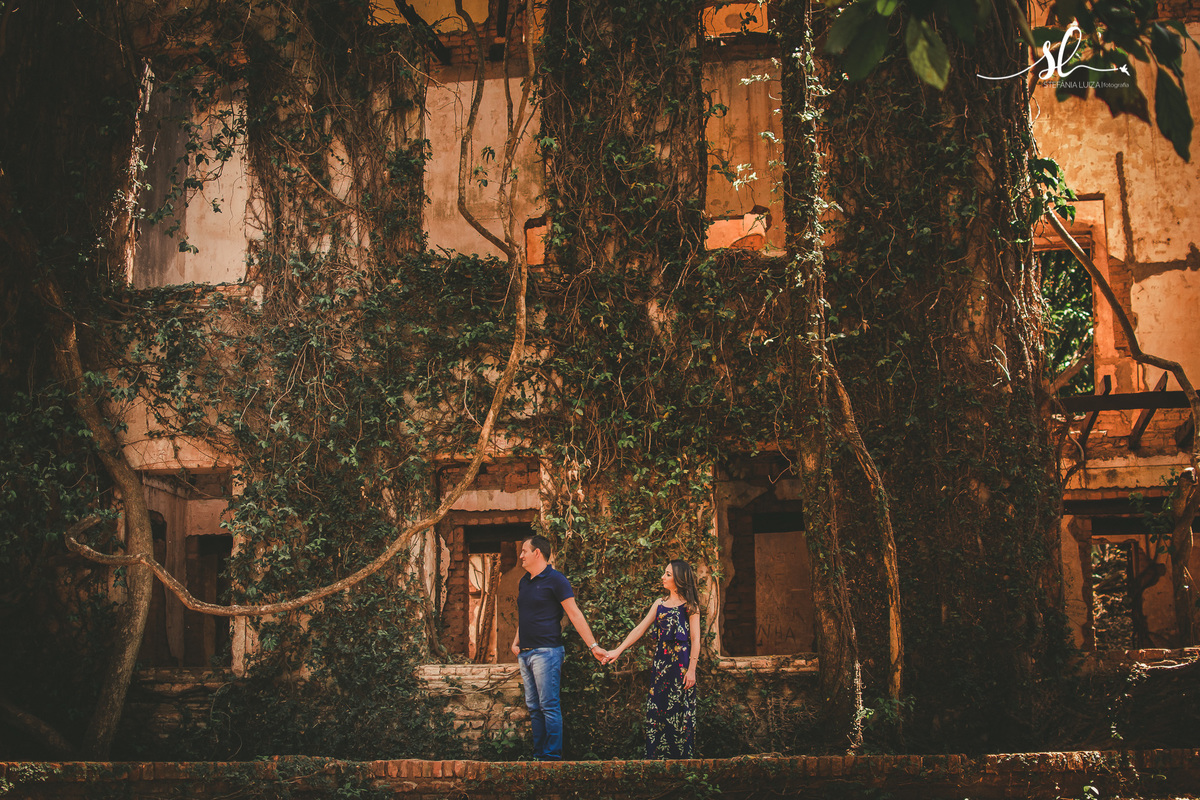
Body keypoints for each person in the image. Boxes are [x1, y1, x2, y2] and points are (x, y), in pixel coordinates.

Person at [509, 534, 605, 760]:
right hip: (525, 653)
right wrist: (516, 641)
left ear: (537, 553)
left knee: (548, 706)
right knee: (534, 707)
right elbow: (525, 615)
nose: (521, 556)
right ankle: (539, 756)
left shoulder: (556, 580)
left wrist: (593, 646)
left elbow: (574, 614)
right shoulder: (524, 581)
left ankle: (551, 757)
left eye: (524, 551)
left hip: (547, 653)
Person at [603, 559, 701, 759]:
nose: (663, 577)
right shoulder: (659, 604)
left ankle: (681, 762)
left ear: (679, 579)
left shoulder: (691, 607)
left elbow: (696, 639)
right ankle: (657, 761)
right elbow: (639, 629)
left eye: (668, 574)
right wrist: (618, 650)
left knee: (680, 712)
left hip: (682, 669)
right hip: (661, 668)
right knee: (658, 709)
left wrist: (692, 670)